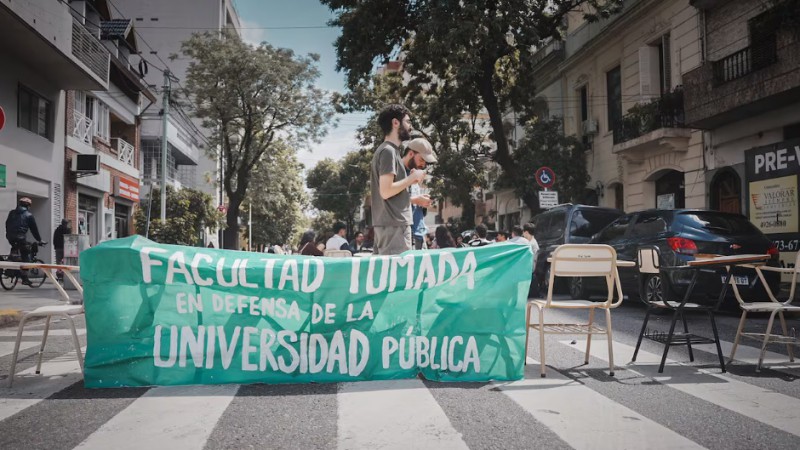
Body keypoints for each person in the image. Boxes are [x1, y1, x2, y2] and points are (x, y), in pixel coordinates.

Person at [370, 104, 426, 255]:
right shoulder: (388, 151)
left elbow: (389, 190)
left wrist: (410, 181)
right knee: (398, 276)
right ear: (396, 123)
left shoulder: (389, 151)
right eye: (407, 122)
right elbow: (386, 191)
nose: (410, 126)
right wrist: (412, 178)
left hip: (390, 225)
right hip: (394, 227)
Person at [402, 138, 437, 250]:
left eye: (425, 161)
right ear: (411, 154)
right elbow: (390, 200)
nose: (423, 164)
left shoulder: (416, 173)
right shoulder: (398, 172)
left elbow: (414, 208)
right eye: (421, 159)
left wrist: (422, 203)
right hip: (405, 235)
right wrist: (415, 200)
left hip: (420, 234)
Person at [5, 197, 43, 286]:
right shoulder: (28, 215)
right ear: (28, 206)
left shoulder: (11, 213)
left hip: (10, 237)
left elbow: (7, 224)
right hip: (20, 237)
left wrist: (9, 233)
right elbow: (34, 230)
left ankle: (11, 267)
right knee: (26, 253)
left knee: (15, 249)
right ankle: (25, 278)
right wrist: (39, 240)